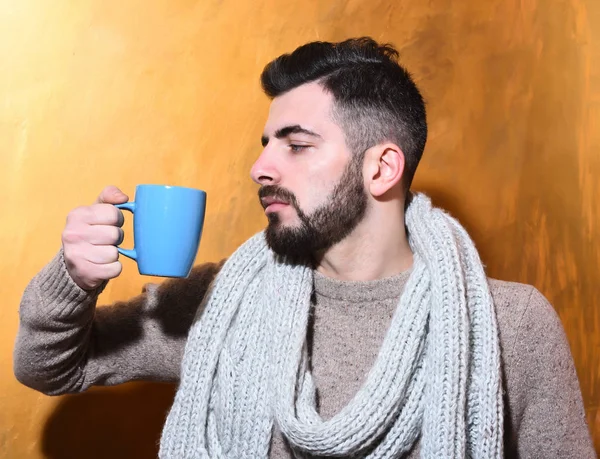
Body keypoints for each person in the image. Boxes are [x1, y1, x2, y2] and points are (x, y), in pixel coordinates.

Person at [14, 38, 595, 459]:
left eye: (296, 146)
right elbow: (51, 368)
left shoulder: (509, 324)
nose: (260, 167)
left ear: (382, 166)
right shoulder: (225, 302)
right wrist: (72, 280)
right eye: (266, 144)